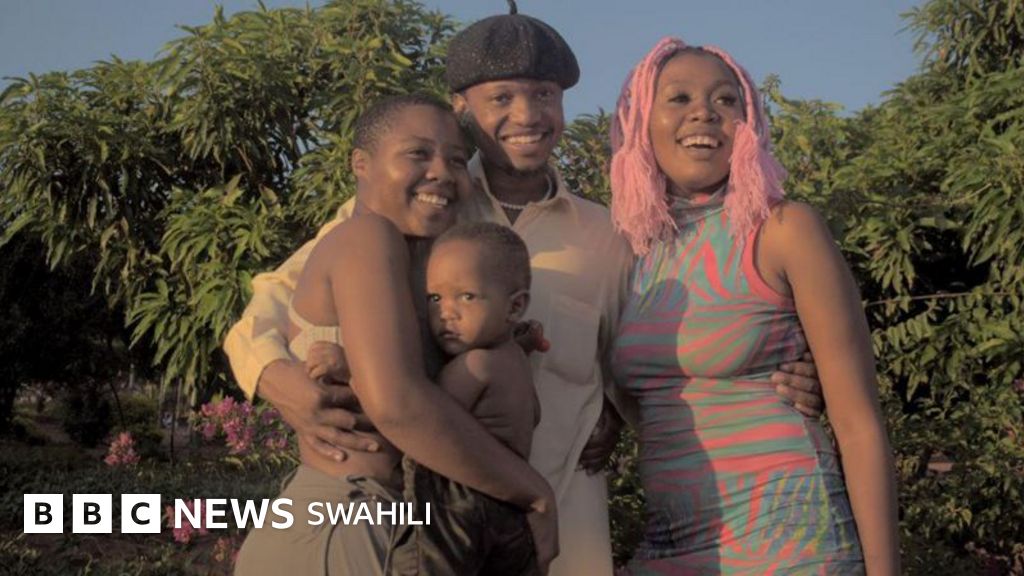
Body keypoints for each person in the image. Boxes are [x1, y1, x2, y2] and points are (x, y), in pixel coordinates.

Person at [224, 4, 827, 574]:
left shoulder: (610, 235)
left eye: (544, 95)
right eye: (502, 97)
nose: (528, 114)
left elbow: (663, 350)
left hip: (567, 525)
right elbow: (272, 304)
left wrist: (789, 373)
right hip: (436, 527)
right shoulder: (424, 207)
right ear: (462, 108)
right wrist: (274, 377)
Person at [233, 94, 559, 576]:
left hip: (382, 521)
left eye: (456, 160)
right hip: (346, 519)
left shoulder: (423, 263)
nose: (441, 172)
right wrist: (533, 493)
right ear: (360, 164)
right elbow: (398, 405)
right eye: (418, 153)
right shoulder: (367, 238)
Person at [609, 37, 900, 574]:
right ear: (639, 120)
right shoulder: (631, 249)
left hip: (791, 547)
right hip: (670, 543)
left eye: (726, 99)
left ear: (749, 124)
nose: (704, 112)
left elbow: (859, 423)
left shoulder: (784, 229)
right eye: (678, 98)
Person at [390, 221, 542, 575]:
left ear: (515, 307)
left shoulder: (475, 366)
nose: (447, 312)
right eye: (435, 298)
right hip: (511, 513)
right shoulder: (518, 362)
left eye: (467, 296)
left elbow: (415, 415)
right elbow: (532, 416)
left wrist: (348, 369)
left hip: (455, 505)